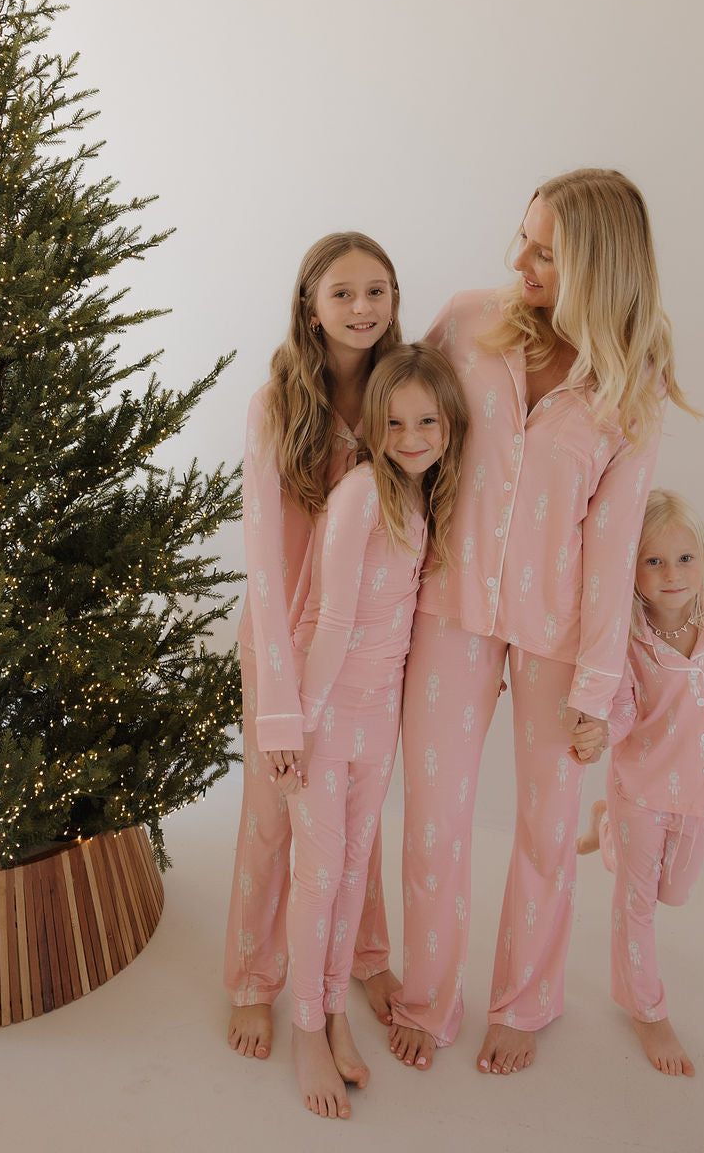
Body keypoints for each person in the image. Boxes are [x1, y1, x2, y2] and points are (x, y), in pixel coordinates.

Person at [389, 167, 696, 1075]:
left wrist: (602, 685)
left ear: (598, 268)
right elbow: (403, 437)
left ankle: (526, 999)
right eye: (522, 235)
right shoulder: (463, 324)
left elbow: (612, 547)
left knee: (547, 826)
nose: (517, 258)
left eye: (545, 252)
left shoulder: (628, 382)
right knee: (434, 819)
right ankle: (426, 995)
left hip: (559, 634)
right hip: (448, 605)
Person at [225, 232, 403, 1060]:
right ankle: (256, 980)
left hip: (367, 659)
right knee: (273, 819)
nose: (363, 308)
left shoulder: (402, 399)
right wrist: (280, 696)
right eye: (344, 293)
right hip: (282, 649)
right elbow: (262, 558)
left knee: (353, 818)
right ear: (310, 304)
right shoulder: (276, 404)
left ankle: (364, 960)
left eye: (378, 291)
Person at [280, 344, 469, 1117]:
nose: (414, 434)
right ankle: (303, 1029)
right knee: (319, 877)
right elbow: (329, 622)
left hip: (376, 726)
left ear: (450, 422)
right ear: (374, 427)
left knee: (353, 874)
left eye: (428, 420)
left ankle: (331, 1013)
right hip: (325, 719)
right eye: (395, 422)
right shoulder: (361, 495)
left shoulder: (420, 501)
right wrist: (298, 723)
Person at [574, 487, 704, 1077]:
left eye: (684, 559)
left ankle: (602, 828)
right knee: (636, 903)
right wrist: (602, 734)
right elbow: (624, 707)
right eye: (654, 561)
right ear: (630, 568)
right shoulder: (628, 633)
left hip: (699, 794)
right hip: (641, 787)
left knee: (676, 891)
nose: (672, 574)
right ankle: (646, 1007)